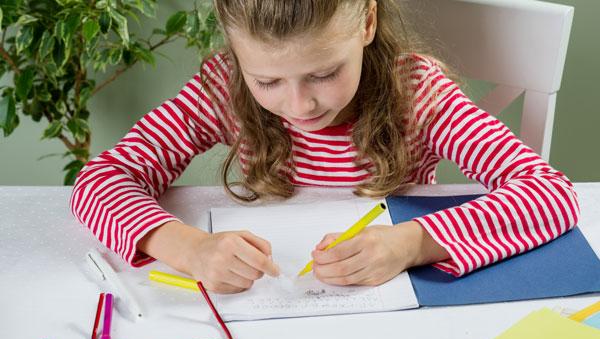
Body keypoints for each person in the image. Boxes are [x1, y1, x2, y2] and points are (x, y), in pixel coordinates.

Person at [70, 0, 579, 294]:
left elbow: (551, 194)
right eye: (267, 80)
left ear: (366, 23)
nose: (300, 105)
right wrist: (190, 248)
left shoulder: (418, 93)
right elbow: (100, 180)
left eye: (324, 73)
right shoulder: (223, 91)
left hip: (395, 307)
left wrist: (413, 243)